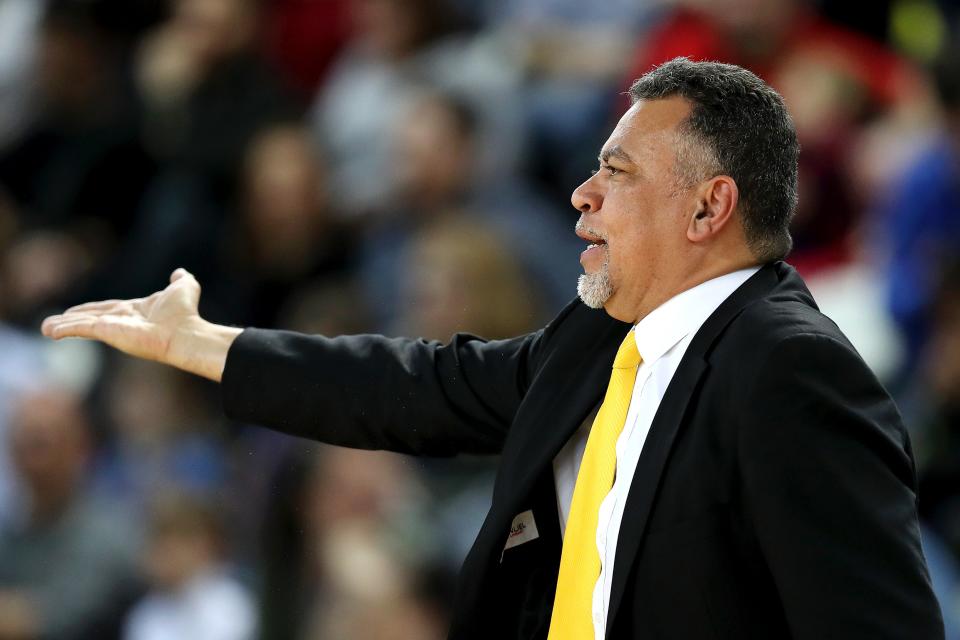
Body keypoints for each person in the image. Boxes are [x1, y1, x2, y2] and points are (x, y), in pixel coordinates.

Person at [41, 57, 944, 639]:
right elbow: (424, 387)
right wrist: (210, 346)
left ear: (710, 208)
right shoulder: (601, 338)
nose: (582, 196)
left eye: (617, 173)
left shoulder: (792, 370)